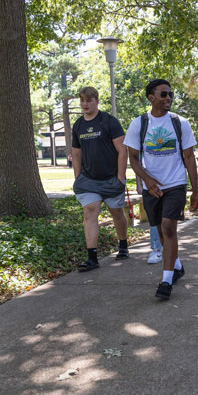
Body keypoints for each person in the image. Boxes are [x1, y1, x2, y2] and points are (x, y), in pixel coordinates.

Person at [125, 79, 198, 300]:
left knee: (168, 228)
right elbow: (133, 158)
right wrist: (147, 180)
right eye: (164, 94)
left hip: (175, 183)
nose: (168, 98)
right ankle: (176, 265)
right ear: (151, 97)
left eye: (170, 95)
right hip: (153, 187)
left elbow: (189, 157)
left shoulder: (180, 123)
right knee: (159, 229)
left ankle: (166, 281)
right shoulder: (138, 124)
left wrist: (195, 191)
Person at [71, 86, 130, 272]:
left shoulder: (109, 121)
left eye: (88, 100)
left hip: (111, 178)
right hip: (88, 180)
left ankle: (123, 244)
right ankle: (92, 258)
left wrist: (120, 178)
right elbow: (76, 153)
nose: (85, 104)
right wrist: (78, 178)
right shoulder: (78, 125)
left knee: (117, 213)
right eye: (82, 100)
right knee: (90, 211)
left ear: (96, 100)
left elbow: (122, 150)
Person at [137, 177, 163, 264]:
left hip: (172, 186)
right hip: (149, 187)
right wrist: (139, 184)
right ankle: (156, 249)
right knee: (154, 220)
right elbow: (138, 164)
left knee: (168, 220)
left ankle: (170, 249)